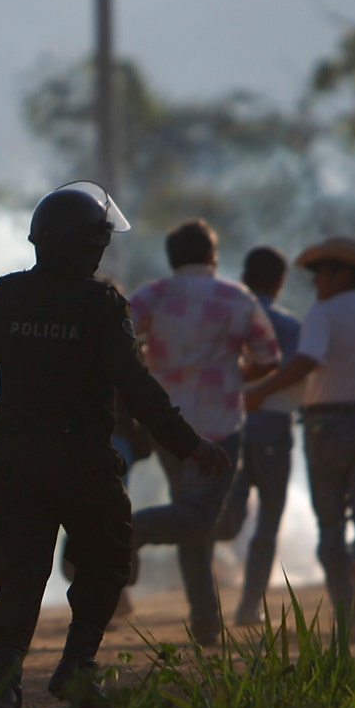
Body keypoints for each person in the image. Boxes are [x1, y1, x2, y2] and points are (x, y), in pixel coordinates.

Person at [0, 182, 229, 708]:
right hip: (83, 462)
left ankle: (5, 691)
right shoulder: (101, 306)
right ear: (89, 247)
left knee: (17, 575)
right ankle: (75, 667)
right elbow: (137, 389)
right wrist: (189, 445)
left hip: (16, 461)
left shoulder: (5, 297)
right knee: (109, 557)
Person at [126, 220, 280, 643]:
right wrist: (230, 374)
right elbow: (268, 358)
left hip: (167, 425)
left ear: (172, 257)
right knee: (201, 517)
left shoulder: (151, 296)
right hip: (219, 424)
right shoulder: (236, 297)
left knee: (193, 519)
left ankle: (206, 621)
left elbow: (118, 345)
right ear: (212, 256)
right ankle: (128, 529)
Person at [245, 237, 355, 631]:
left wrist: (260, 391)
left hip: (324, 426)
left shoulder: (323, 313)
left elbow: (306, 362)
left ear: (343, 275)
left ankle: (348, 616)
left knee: (329, 524)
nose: (316, 284)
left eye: (322, 275)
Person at [213, 245, 301, 627]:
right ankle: (249, 605)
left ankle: (206, 594)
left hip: (229, 426)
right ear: (280, 282)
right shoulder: (290, 325)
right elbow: (301, 371)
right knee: (268, 520)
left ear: (245, 277)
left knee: (221, 512)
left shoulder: (227, 318)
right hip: (274, 428)